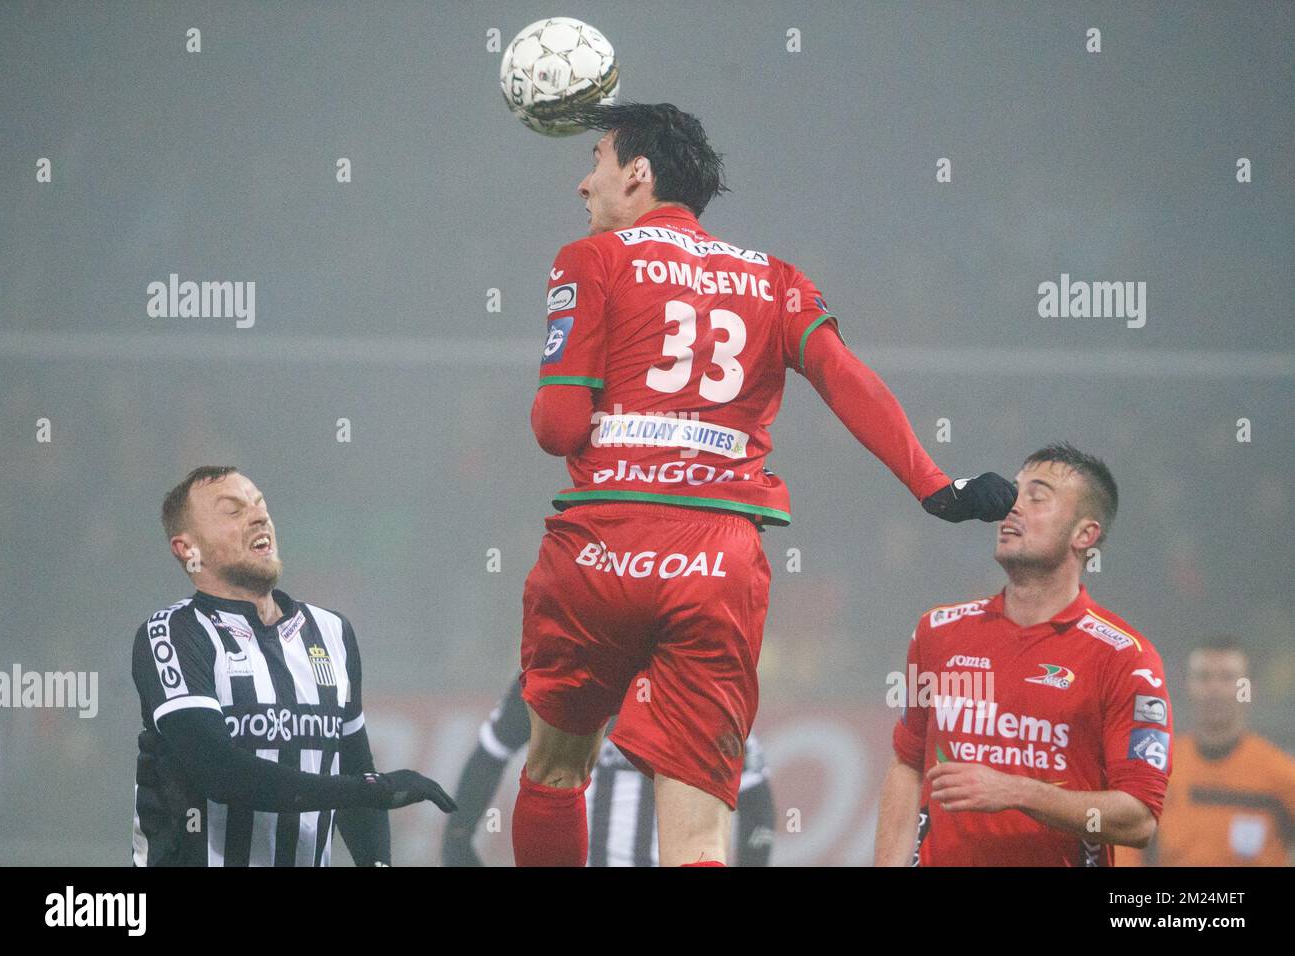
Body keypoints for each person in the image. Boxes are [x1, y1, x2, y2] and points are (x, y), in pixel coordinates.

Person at [515, 101, 1015, 867]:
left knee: (555, 772)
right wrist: (935, 485)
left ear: (639, 175)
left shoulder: (590, 260)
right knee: (699, 837)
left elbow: (557, 428)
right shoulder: (774, 278)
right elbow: (847, 380)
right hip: (716, 561)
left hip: (601, 546)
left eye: (597, 163)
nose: (583, 186)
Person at [131, 465, 455, 866]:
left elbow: (353, 764)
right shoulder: (172, 633)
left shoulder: (332, 631)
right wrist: (368, 789)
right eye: (233, 511)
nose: (258, 515)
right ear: (187, 549)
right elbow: (220, 771)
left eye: (259, 504)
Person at [874, 443, 1171, 866]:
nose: (1011, 507)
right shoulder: (938, 634)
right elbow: (907, 763)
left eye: (1037, 497)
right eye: (1014, 493)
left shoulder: (1125, 658)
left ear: (1084, 535)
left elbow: (1139, 820)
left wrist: (1015, 790)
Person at [443, 676, 775, 866]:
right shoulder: (557, 670)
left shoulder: (696, 685)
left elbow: (756, 803)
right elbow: (489, 756)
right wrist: (457, 841)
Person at [1120, 634, 1295, 866]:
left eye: (1227, 678)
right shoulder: (1157, 767)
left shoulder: (1280, 774)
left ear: (1249, 688)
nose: (1215, 688)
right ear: (1187, 685)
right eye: (1204, 677)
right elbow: (1124, 847)